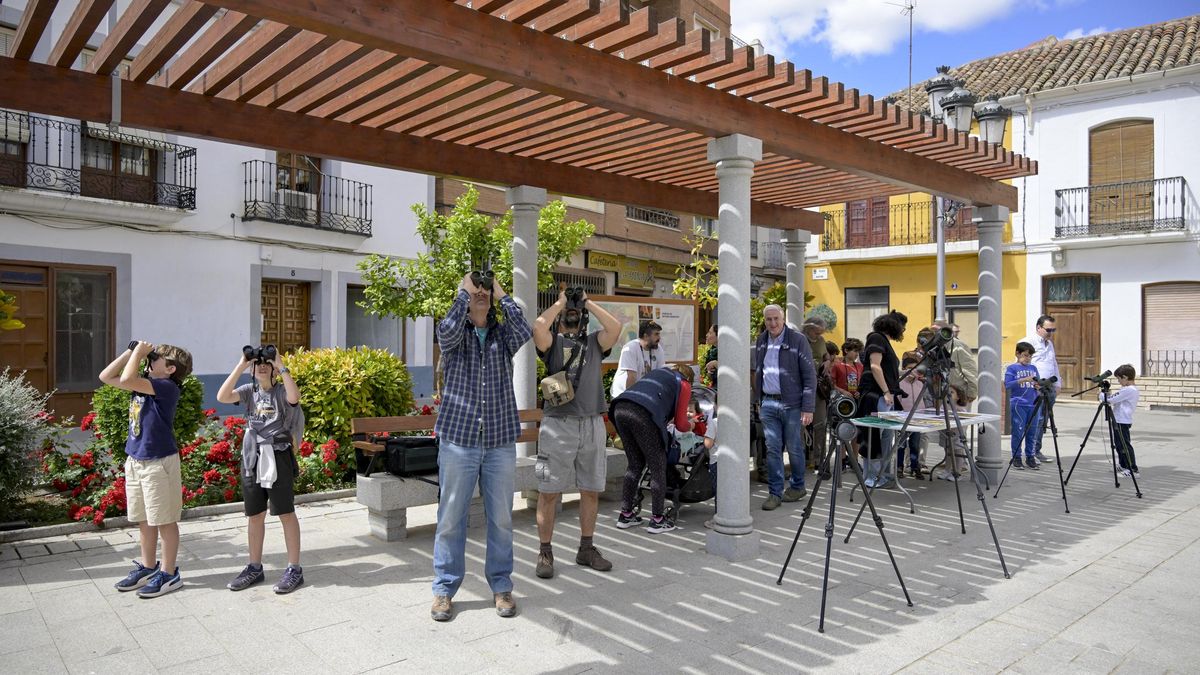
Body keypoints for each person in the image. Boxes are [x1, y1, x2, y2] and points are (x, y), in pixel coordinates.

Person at [430, 272, 532, 622]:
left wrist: (501, 293)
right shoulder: (456, 334)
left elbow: (525, 330)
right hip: (459, 439)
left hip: (499, 441)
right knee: (450, 519)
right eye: (477, 290)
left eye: (485, 291)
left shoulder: (503, 334)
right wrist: (463, 292)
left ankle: (502, 586)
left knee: (502, 519)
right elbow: (445, 331)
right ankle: (444, 589)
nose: (481, 294)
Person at [531, 287, 622, 579]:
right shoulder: (552, 342)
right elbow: (538, 327)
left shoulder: (596, 342)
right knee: (548, 493)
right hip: (558, 425)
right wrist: (560, 303)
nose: (573, 311)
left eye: (577, 311)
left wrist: (587, 302)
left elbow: (616, 327)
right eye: (569, 311)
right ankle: (545, 551)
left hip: (592, 423)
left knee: (591, 489)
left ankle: (586, 548)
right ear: (560, 320)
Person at [100, 340, 193, 598]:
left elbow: (128, 378)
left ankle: (169, 572)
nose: (151, 360)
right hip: (136, 459)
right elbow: (106, 376)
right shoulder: (147, 383)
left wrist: (139, 354)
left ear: (171, 369)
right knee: (145, 518)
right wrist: (131, 352)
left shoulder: (166, 387)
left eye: (157, 358)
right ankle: (149, 567)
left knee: (164, 519)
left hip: (158, 462)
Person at [217, 349, 306, 593]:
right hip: (252, 457)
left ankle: (294, 569)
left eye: (267, 363)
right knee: (255, 514)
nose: (262, 367)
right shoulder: (248, 392)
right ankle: (254, 567)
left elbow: (294, 397)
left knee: (285, 512)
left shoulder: (280, 391)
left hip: (278, 455)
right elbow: (222, 396)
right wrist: (241, 365)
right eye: (258, 364)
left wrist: (281, 364)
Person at [611, 366, 695, 533]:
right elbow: (681, 423)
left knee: (635, 464)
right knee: (658, 466)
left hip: (620, 408)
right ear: (689, 378)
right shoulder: (684, 384)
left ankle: (626, 514)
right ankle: (657, 519)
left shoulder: (660, 374)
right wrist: (692, 425)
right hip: (643, 413)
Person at [753, 305, 817, 510]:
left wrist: (808, 408)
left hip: (792, 404)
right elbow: (759, 371)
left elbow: (809, 376)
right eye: (769, 319)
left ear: (783, 319)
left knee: (794, 447)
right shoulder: (762, 339)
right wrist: (758, 400)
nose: (772, 323)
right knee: (772, 448)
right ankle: (775, 493)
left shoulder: (798, 340)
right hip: (769, 402)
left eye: (776, 319)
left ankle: (798, 486)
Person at [856, 310, 907, 488]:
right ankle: (872, 476)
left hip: (885, 395)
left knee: (885, 436)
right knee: (874, 437)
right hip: (877, 396)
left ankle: (882, 473)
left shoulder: (883, 341)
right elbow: (875, 366)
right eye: (903, 326)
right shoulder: (876, 338)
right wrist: (886, 392)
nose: (904, 330)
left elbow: (884, 369)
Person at [929, 318, 979, 481]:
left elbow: (970, 370)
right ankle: (948, 468)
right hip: (943, 394)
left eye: (938, 330)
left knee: (957, 435)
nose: (936, 333)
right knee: (947, 436)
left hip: (957, 395)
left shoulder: (958, 346)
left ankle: (958, 469)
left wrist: (972, 390)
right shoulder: (936, 347)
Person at [1022, 315, 1061, 465]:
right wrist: (1032, 382)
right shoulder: (1028, 342)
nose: (1050, 333)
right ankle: (1029, 452)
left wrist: (1058, 384)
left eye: (1053, 330)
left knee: (1044, 420)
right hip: (1035, 387)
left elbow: (1054, 363)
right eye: (1048, 329)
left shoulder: (1049, 344)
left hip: (1049, 387)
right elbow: (1022, 364)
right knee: (1035, 420)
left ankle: (1037, 450)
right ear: (1038, 328)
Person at [1004, 342, 1041, 471]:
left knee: (1032, 432)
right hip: (1018, 404)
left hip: (1033, 404)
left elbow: (1038, 383)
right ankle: (1016, 457)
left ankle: (1030, 457)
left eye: (1030, 356)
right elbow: (1008, 385)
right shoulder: (1012, 368)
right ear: (1017, 354)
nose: (1028, 358)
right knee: (1018, 432)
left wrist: (1038, 386)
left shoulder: (1033, 368)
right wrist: (1024, 380)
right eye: (1025, 355)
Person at [801, 317, 829, 471]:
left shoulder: (821, 341)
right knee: (799, 427)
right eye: (816, 332)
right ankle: (801, 461)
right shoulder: (798, 338)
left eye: (820, 333)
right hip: (800, 388)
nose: (818, 335)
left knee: (820, 424)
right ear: (808, 328)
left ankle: (820, 460)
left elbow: (826, 357)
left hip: (818, 388)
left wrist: (827, 362)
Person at [610, 320, 662, 398]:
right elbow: (631, 377)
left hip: (642, 393)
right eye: (656, 334)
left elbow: (660, 374)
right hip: (622, 394)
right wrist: (632, 400)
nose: (659, 338)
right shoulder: (631, 348)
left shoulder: (658, 349)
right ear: (646, 336)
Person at [1106, 364, 1141, 477]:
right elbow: (1116, 399)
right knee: (1119, 444)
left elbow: (1111, 399)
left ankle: (1132, 469)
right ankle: (1122, 465)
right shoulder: (1127, 389)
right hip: (1119, 419)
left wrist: (1102, 395)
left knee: (1124, 445)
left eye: (1119, 379)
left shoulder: (1130, 390)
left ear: (1125, 377)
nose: (1118, 381)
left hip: (1122, 421)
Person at [896, 353, 925, 479]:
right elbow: (897, 401)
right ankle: (899, 467)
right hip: (902, 419)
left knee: (915, 444)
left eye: (915, 369)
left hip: (916, 419)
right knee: (901, 444)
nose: (913, 372)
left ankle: (914, 466)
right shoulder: (899, 383)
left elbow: (923, 401)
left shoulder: (920, 384)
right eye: (910, 369)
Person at [701, 324, 719, 388]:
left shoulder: (727, 351)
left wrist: (716, 363)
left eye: (710, 333)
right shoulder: (711, 352)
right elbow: (710, 378)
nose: (707, 335)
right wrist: (709, 372)